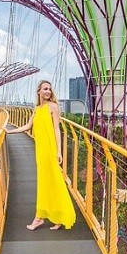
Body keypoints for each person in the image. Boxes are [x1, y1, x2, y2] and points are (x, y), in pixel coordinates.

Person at [5, 80, 76, 230]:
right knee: (47, 183)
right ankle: (57, 218)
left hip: (49, 151)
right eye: (45, 89)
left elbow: (57, 129)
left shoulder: (53, 107)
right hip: (40, 150)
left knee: (52, 182)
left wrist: (59, 151)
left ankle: (41, 218)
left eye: (49, 89)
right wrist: (10, 131)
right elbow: (28, 126)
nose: (48, 92)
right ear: (39, 91)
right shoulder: (37, 109)